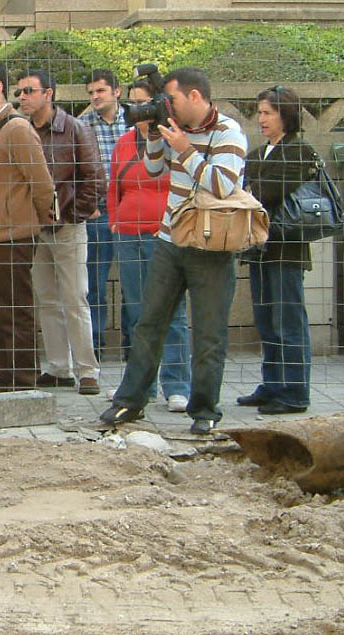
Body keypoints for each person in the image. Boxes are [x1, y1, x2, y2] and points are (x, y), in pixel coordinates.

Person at [100, 67, 248, 435]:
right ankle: (130, 402)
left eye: (174, 100)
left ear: (195, 96)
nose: (169, 107)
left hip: (210, 243)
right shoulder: (173, 127)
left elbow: (221, 185)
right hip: (169, 239)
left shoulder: (228, 132)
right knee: (149, 322)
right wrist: (154, 135)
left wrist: (185, 150)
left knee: (209, 332)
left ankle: (205, 410)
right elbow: (153, 170)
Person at [0, 60, 55, 394]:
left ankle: (22, 379)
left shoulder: (16, 129)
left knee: (14, 311)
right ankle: (7, 378)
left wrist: (35, 221)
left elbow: (42, 184)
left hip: (12, 237)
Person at [16, 69, 103, 395]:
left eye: (29, 91)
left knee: (75, 298)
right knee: (47, 299)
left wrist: (70, 215)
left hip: (67, 228)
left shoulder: (76, 129)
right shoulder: (21, 130)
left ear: (48, 93)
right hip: (35, 230)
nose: (23, 97)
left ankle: (87, 371)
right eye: (20, 92)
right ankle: (58, 367)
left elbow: (95, 178)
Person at [107, 78, 192, 412]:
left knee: (171, 311)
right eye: (133, 104)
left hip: (164, 234)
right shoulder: (124, 143)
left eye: (144, 103)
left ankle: (176, 383)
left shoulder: (173, 140)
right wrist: (115, 219)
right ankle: (142, 385)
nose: (139, 111)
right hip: (128, 233)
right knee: (137, 312)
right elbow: (113, 185)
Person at [239, 85, 318, 415]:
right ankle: (272, 384)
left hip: (287, 246)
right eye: (259, 112)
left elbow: (265, 193)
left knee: (288, 319)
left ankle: (295, 390)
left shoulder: (299, 150)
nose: (262, 119)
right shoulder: (258, 154)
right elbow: (248, 191)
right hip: (260, 247)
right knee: (266, 319)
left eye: (268, 112)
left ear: (286, 114)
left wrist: (251, 191)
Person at [78, 68, 130, 354]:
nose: (95, 97)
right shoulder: (81, 125)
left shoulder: (135, 122)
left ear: (116, 91)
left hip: (130, 212)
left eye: (100, 91)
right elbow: (73, 171)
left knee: (133, 284)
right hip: (97, 213)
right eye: (91, 92)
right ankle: (94, 346)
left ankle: (133, 345)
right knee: (93, 284)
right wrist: (87, 206)